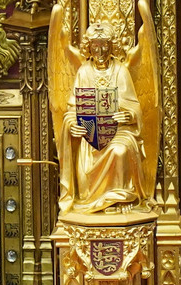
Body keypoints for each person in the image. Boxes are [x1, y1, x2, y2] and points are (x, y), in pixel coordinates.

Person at [58, 22, 146, 213]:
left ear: (111, 46)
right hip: (92, 135)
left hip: (120, 132)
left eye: (104, 45)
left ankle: (120, 199)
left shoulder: (120, 71)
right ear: (88, 48)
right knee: (88, 155)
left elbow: (134, 107)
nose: (100, 51)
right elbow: (73, 109)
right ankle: (93, 200)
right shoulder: (84, 72)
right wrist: (73, 124)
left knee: (120, 150)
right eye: (95, 46)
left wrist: (128, 115)